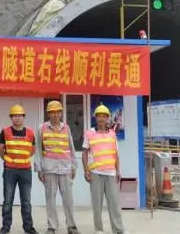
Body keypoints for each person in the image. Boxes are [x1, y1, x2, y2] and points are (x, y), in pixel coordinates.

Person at [34, 100, 80, 234]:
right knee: (50, 199)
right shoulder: (41, 128)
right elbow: (38, 150)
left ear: (61, 113)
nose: (55, 114)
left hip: (65, 168)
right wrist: (39, 169)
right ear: (48, 114)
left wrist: (73, 166)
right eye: (52, 112)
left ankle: (71, 226)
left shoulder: (66, 128)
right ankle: (52, 226)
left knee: (68, 199)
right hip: (49, 169)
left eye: (58, 112)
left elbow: (71, 147)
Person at [82, 104, 127, 234]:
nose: (101, 118)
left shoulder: (112, 134)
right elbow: (84, 153)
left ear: (107, 118)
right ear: (95, 118)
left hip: (111, 172)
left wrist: (118, 171)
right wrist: (86, 170)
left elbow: (116, 154)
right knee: (97, 203)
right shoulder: (89, 133)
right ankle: (99, 229)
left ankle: (118, 229)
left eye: (104, 116)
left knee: (114, 203)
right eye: (99, 116)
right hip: (95, 173)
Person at [0, 104, 38, 234]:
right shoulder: (5, 132)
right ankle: (6, 227)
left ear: (23, 117)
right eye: (14, 116)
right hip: (10, 170)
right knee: (8, 200)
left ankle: (28, 227)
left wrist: (21, 158)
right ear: (11, 118)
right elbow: (0, 149)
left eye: (20, 115)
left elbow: (33, 150)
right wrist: (8, 160)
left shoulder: (30, 133)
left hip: (25, 170)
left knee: (26, 201)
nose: (17, 118)